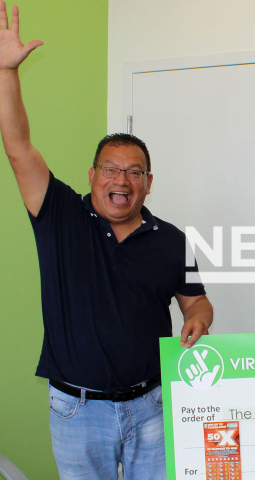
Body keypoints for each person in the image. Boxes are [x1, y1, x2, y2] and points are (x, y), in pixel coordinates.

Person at [0, 3, 213, 479]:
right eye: (112, 169)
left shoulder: (172, 240)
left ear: (149, 182)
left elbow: (197, 304)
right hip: (77, 411)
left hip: (153, 407)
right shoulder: (59, 214)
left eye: (134, 171)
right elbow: (17, 148)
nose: (123, 179)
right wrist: (5, 73)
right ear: (92, 175)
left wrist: (198, 322)